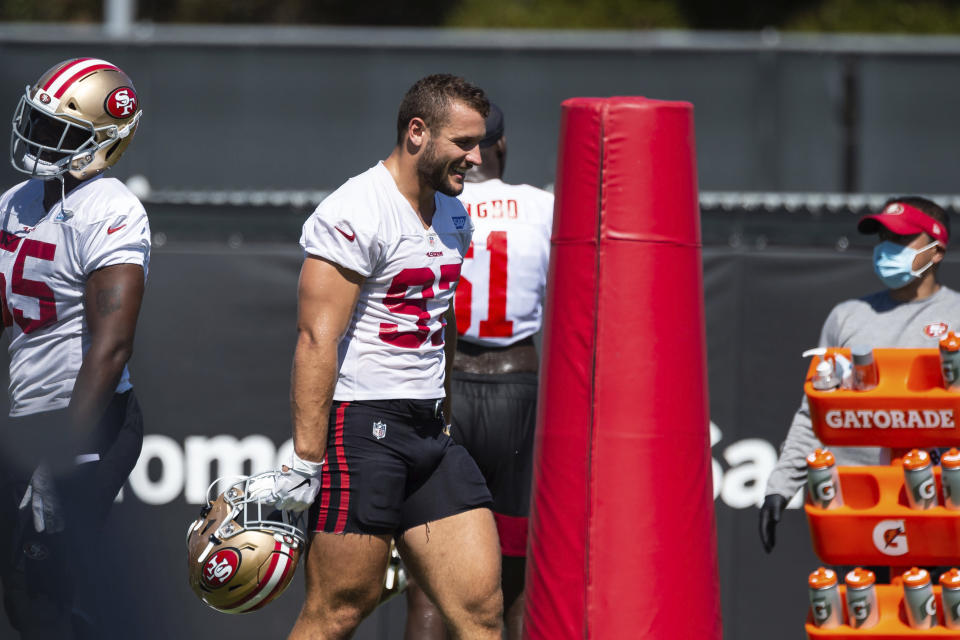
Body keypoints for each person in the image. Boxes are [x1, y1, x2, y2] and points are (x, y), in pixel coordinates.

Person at [251, 74, 503, 639]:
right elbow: (317, 339)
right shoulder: (357, 209)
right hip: (365, 427)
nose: (476, 157)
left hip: (429, 430)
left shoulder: (454, 214)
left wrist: (444, 409)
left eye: (479, 142)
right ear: (418, 133)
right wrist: (305, 461)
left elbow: (444, 318)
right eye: (463, 142)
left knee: (482, 610)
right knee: (340, 608)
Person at [0, 58, 149, 638]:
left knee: (42, 595)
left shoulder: (111, 208)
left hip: (88, 423)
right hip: (28, 416)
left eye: (59, 131)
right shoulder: (16, 201)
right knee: (27, 598)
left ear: (105, 141)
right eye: (37, 123)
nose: (39, 140)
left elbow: (111, 347)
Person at [403, 103, 553, 640]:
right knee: (513, 578)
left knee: (429, 581)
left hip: (449, 385)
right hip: (519, 390)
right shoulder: (544, 207)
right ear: (502, 146)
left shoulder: (436, 205)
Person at [760, 196, 960, 553]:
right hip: (854, 511)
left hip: (939, 515)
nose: (886, 249)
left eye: (900, 239)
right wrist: (780, 486)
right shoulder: (848, 316)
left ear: (937, 251)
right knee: (858, 608)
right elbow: (814, 413)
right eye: (881, 238)